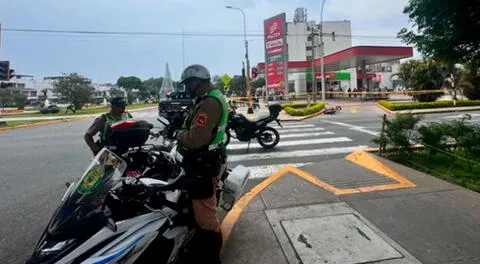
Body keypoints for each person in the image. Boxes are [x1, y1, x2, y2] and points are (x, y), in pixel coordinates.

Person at [175, 64, 228, 264]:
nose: (187, 87)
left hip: (204, 164)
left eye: (189, 83)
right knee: (200, 213)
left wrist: (178, 134)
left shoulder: (209, 102)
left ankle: (212, 259)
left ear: (197, 82)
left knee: (206, 220)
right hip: (206, 159)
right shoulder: (211, 97)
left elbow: (196, 138)